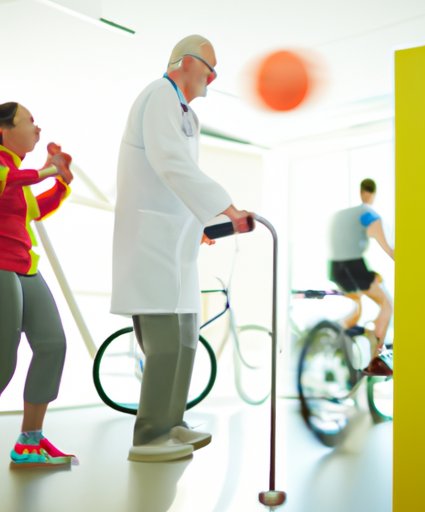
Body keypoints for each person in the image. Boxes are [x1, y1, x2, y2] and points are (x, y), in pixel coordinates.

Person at [110, 34, 253, 462]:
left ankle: (173, 422)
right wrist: (226, 207)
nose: (214, 76)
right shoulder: (158, 95)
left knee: (188, 340)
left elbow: (181, 176)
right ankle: (149, 435)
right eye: (210, 66)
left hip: (178, 243)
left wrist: (203, 222)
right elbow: (169, 161)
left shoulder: (185, 112)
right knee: (165, 345)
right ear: (185, 62)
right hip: (150, 243)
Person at [0, 102, 77, 468]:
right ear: (3, 131)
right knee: (3, 357)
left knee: (52, 345)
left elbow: (35, 210)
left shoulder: (15, 172)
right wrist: (49, 169)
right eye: (29, 121)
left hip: (24, 267)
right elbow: (13, 179)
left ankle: (29, 441)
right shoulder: (6, 169)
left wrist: (60, 182)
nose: (37, 128)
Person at [327, 178, 394, 358]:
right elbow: (383, 240)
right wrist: (394, 254)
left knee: (356, 310)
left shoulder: (346, 214)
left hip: (335, 267)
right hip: (353, 266)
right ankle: (375, 356)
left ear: (361, 192)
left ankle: (333, 341)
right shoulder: (368, 213)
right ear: (371, 194)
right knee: (387, 305)